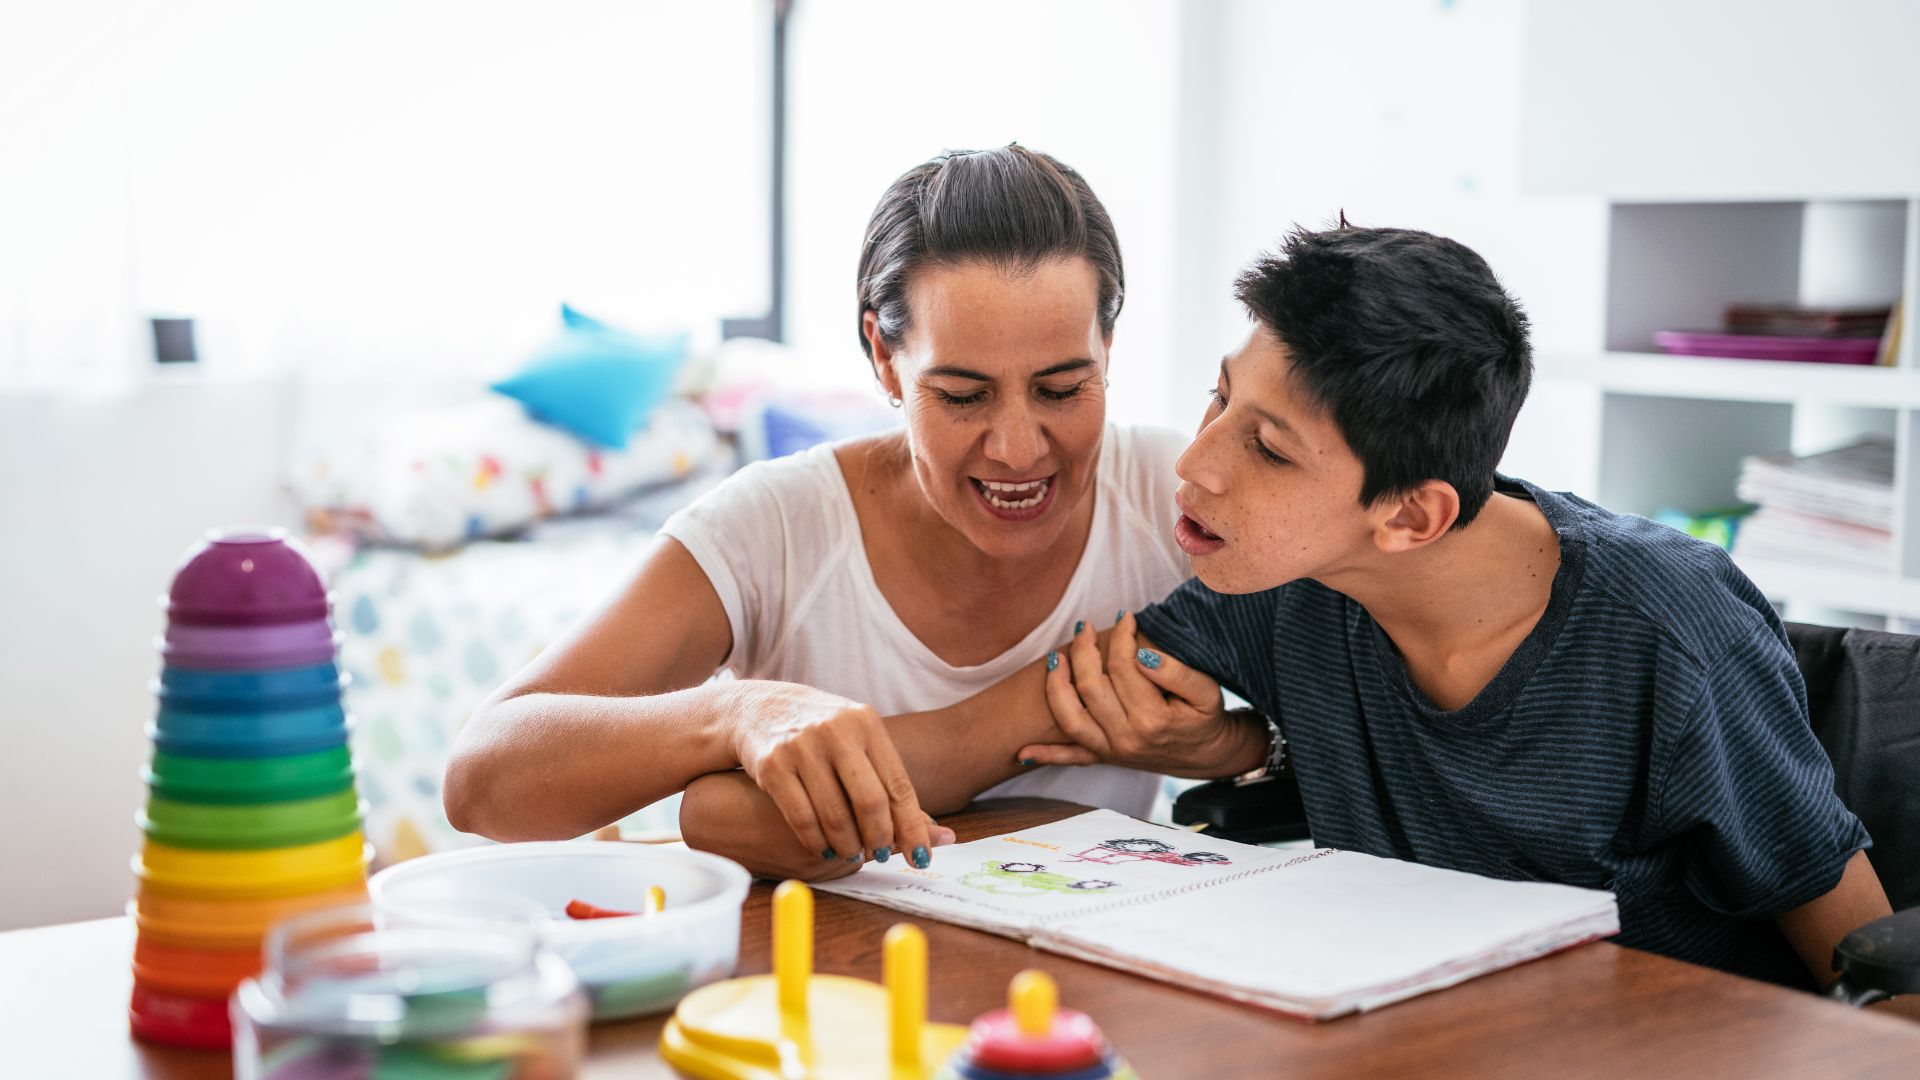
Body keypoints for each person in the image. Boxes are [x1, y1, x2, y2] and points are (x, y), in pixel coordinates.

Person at [1010, 223, 1893, 989]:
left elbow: (1869, 972)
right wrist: (863, 729)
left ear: (1409, 514)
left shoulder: (1669, 629)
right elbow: (1005, 723)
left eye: (1269, 450)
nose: (1195, 463)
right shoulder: (1289, 579)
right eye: (1220, 395)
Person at [442, 145, 1191, 878]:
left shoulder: (1172, 494)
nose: (1020, 449)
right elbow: (482, 780)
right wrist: (739, 715)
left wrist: (1236, 743)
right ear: (883, 356)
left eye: (1062, 389)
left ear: (1108, 348)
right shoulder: (776, 528)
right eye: (962, 396)